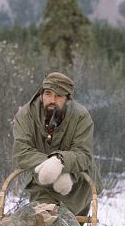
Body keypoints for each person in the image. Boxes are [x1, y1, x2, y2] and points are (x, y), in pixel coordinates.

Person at [12, 71, 97, 216]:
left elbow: (83, 154)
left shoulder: (81, 116)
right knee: (43, 224)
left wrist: (60, 162)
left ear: (68, 99)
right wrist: (52, 167)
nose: (52, 99)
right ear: (41, 95)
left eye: (58, 96)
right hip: (42, 183)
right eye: (48, 94)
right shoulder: (26, 115)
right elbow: (21, 152)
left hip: (77, 185)